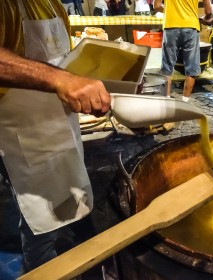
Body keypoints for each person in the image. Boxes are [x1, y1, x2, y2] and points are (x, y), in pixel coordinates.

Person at [0, 0, 111, 271]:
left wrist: (112, 81)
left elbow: (64, 65)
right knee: (39, 221)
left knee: (70, 196)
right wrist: (62, 81)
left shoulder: (52, 5)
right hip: (21, 135)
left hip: (62, 128)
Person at [153, 0, 213, 102]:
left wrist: (168, 11)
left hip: (171, 25)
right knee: (191, 67)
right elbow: (208, 11)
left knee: (167, 66)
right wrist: (205, 19)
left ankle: (166, 99)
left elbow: (156, 6)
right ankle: (185, 101)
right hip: (191, 26)